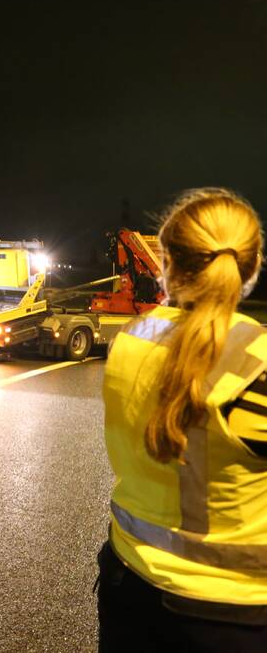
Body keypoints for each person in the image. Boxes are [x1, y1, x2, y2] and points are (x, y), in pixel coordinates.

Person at [99, 188, 267, 652]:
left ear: (166, 262)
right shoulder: (257, 365)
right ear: (249, 268)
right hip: (232, 616)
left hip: (129, 585)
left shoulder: (131, 340)